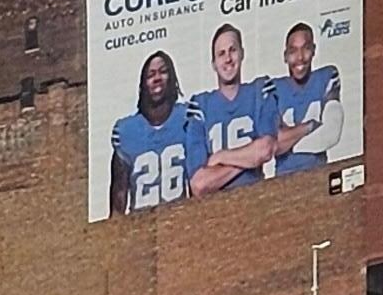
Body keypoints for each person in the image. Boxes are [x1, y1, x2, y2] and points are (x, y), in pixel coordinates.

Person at [185, 21, 283, 191]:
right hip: (215, 210)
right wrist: (250, 158)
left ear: (242, 53)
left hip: (255, 198)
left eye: (233, 50)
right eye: (221, 54)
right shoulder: (201, 105)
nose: (228, 59)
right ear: (214, 64)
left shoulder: (259, 91)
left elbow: (266, 149)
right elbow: (199, 184)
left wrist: (221, 157)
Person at [107, 50, 199, 220]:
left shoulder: (188, 117)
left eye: (163, 72)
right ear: (143, 83)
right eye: (151, 74)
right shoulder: (127, 131)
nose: (157, 78)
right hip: (140, 226)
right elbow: (118, 199)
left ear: (171, 78)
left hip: (182, 218)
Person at [270, 20, 343, 174]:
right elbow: (274, 145)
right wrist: (309, 126)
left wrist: (291, 145)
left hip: (318, 175)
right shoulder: (274, 88)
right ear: (285, 56)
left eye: (306, 49)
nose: (300, 57)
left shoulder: (327, 76)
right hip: (284, 180)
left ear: (314, 50)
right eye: (293, 51)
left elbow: (331, 133)